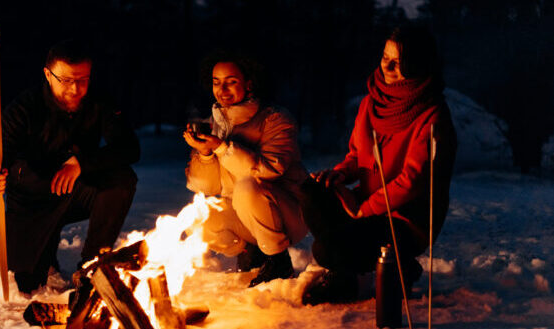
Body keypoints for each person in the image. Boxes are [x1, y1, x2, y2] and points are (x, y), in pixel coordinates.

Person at [300, 26, 457, 305]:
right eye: (386, 56)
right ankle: (344, 279)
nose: (388, 65)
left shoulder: (432, 116)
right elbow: (357, 156)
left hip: (405, 220)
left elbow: (412, 181)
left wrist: (364, 210)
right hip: (367, 205)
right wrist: (339, 175)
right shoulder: (371, 103)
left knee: (326, 249)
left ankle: (400, 263)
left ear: (419, 63)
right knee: (311, 190)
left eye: (399, 60)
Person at [0, 39, 140, 294]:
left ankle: (91, 268)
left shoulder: (100, 101)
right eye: (65, 80)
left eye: (83, 79)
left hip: (77, 192)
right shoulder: (24, 108)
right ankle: (43, 253)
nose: (75, 88)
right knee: (28, 285)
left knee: (122, 180)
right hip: (33, 201)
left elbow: (129, 148)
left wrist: (81, 163)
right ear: (48, 74)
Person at [184, 52, 309, 287]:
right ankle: (253, 252)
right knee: (200, 217)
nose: (223, 89)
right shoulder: (214, 125)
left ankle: (277, 259)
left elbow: (271, 169)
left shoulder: (275, 119)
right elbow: (206, 187)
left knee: (246, 188)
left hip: (289, 212)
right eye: (216, 82)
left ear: (249, 84)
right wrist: (205, 153)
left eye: (231, 81)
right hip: (246, 216)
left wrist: (222, 148)